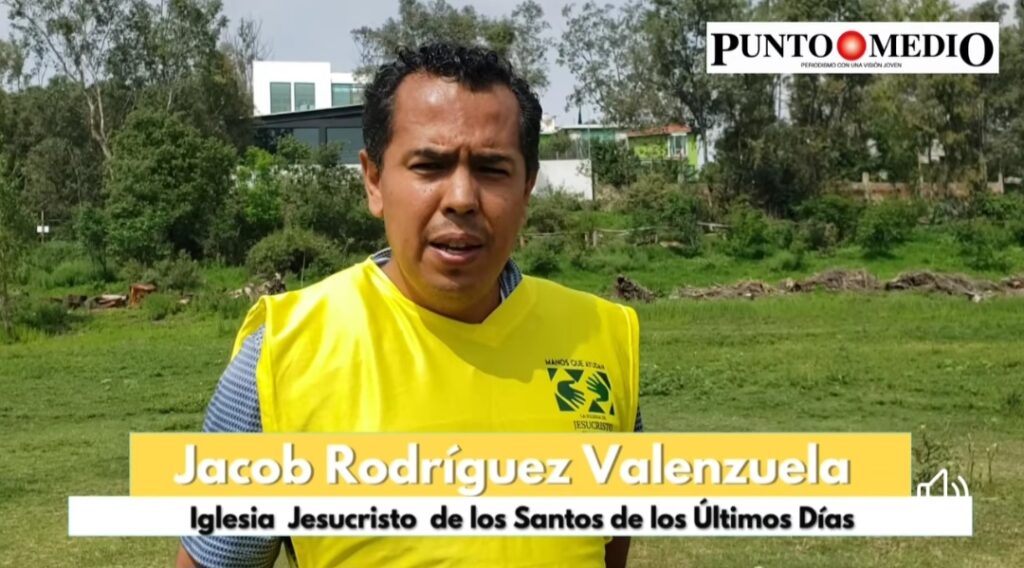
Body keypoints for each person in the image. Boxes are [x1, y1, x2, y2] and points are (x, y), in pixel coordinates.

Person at [176, 42, 642, 568]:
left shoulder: (601, 341)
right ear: (374, 181)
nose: (461, 198)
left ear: (528, 187)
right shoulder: (280, 359)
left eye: (492, 169)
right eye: (429, 165)